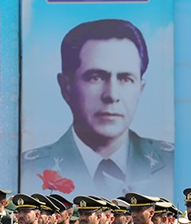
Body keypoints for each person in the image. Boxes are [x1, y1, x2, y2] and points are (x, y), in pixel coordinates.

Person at [21, 19, 174, 197]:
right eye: (96, 77)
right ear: (66, 87)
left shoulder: (172, 162)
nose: (112, 95)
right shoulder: (29, 170)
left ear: (140, 88)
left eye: (126, 79)